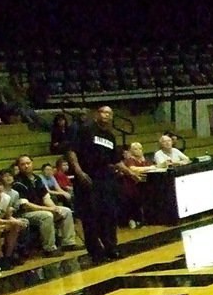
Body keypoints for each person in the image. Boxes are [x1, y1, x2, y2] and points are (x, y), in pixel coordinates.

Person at [68, 104, 136, 263]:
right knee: (91, 216)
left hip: (105, 178)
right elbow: (72, 151)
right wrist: (78, 172)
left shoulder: (110, 137)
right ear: (97, 115)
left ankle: (111, 247)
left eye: (109, 113)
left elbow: (115, 161)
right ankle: (95, 251)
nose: (106, 115)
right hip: (87, 178)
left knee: (109, 214)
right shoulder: (85, 130)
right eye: (103, 112)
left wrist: (130, 172)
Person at [13, 154, 81, 255]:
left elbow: (45, 197)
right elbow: (26, 205)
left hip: (41, 208)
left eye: (28, 163)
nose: (26, 166)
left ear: (32, 164)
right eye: (23, 164)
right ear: (18, 166)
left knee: (65, 211)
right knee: (47, 216)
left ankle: (68, 243)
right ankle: (49, 248)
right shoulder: (17, 182)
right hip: (26, 213)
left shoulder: (37, 178)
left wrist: (54, 207)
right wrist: (49, 210)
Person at [120, 141, 157, 228]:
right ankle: (132, 219)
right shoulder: (129, 160)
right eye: (135, 149)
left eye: (140, 148)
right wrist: (149, 168)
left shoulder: (144, 160)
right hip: (132, 186)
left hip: (144, 185)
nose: (138, 150)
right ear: (131, 151)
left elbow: (153, 168)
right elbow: (133, 169)